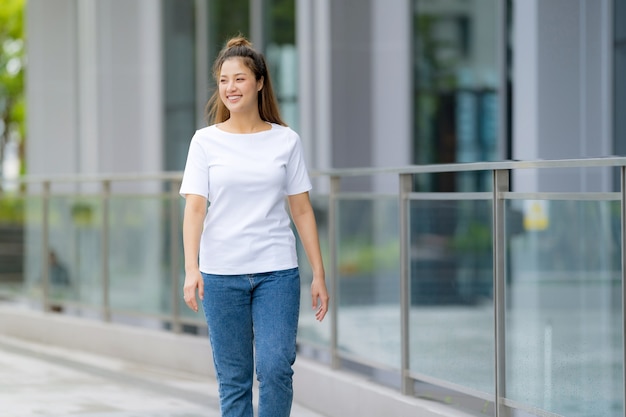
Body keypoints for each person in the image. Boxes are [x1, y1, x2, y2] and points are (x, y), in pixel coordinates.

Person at [180, 35, 329, 417]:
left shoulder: (286, 141)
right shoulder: (205, 142)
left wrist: (318, 274)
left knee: (276, 368)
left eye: (240, 79)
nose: (230, 87)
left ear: (259, 82)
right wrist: (191, 269)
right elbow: (195, 209)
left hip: (276, 271)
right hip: (220, 272)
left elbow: (302, 210)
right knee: (234, 379)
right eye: (224, 80)